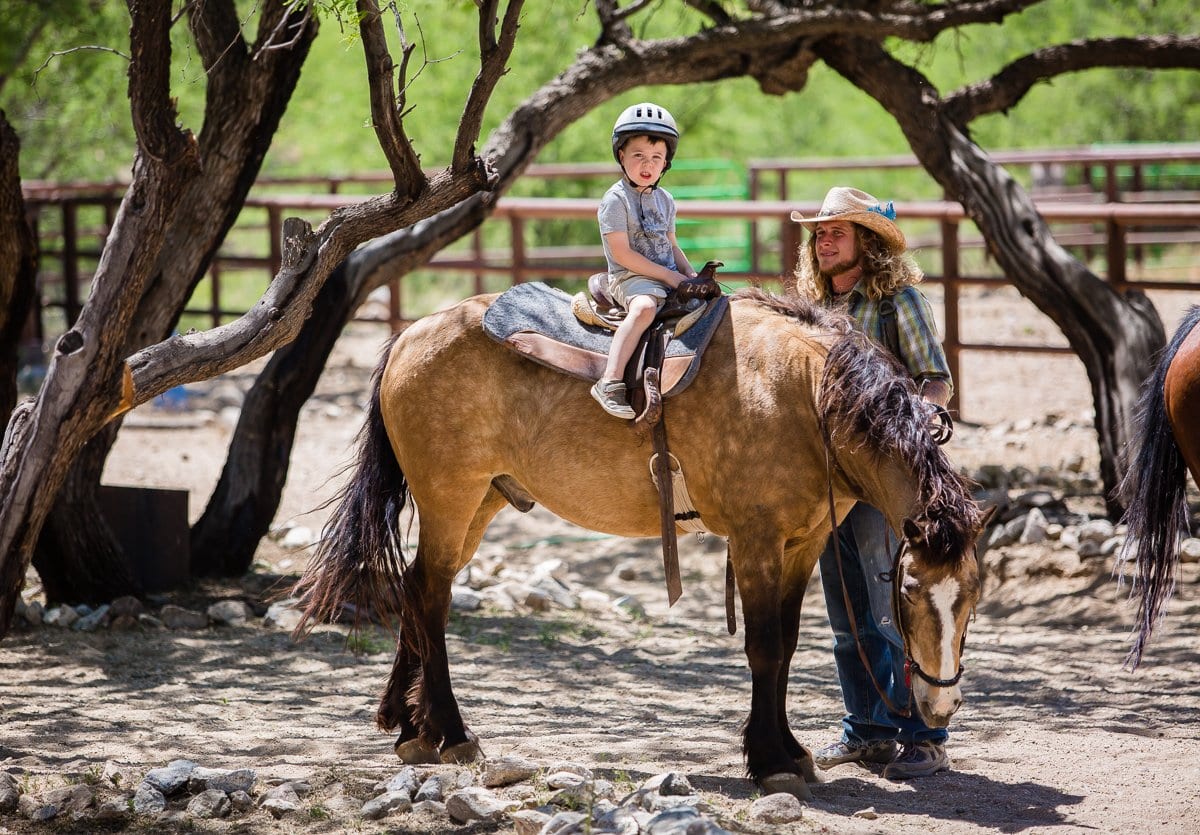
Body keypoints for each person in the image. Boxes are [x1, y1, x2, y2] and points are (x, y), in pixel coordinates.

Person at [791, 186, 955, 780]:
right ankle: (866, 732)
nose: (824, 239)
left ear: (867, 242)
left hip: (882, 481)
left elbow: (935, 378)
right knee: (845, 614)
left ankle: (923, 736)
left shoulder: (895, 302)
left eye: (837, 230)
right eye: (820, 232)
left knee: (891, 610)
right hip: (826, 483)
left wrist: (923, 412)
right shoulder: (809, 309)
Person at [591, 102, 697, 419]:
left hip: (665, 274)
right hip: (631, 278)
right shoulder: (615, 200)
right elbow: (622, 254)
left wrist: (690, 276)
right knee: (644, 308)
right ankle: (610, 380)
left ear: (666, 163)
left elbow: (672, 245)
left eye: (655, 158)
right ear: (621, 156)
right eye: (638, 155)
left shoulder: (666, 200)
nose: (646, 164)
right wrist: (669, 278)